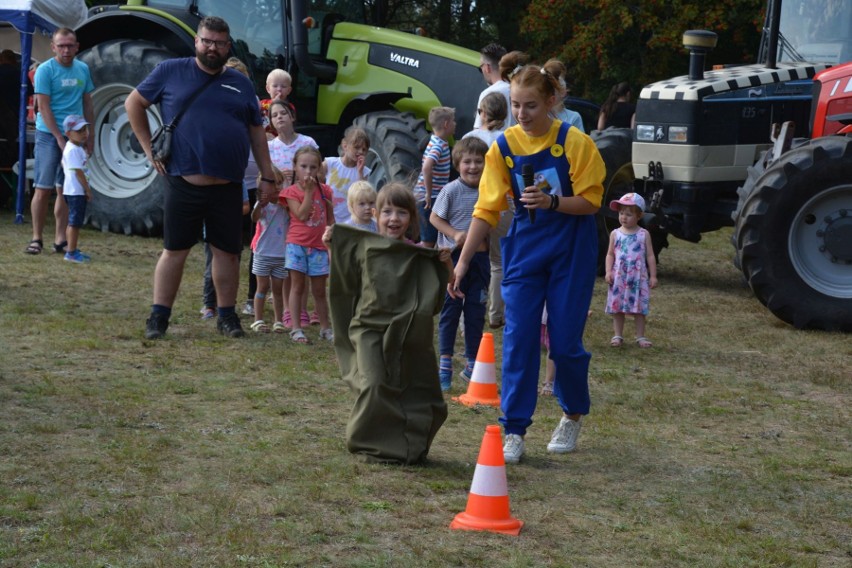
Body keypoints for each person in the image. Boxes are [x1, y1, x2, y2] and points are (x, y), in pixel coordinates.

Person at [449, 51, 605, 464]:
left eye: (530, 105)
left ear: (551, 101)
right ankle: (513, 429)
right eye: (516, 105)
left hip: (572, 247)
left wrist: (553, 202)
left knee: (565, 342)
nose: (521, 113)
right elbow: (486, 208)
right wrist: (463, 263)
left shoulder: (575, 142)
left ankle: (571, 414)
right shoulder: (503, 146)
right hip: (525, 248)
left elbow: (591, 201)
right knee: (518, 339)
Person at [125, 16, 277, 340]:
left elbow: (256, 132)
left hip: (228, 186)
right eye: (206, 41)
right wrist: (148, 149)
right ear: (196, 41)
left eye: (219, 43)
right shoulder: (171, 71)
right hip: (183, 182)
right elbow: (134, 103)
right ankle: (159, 317)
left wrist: (267, 175)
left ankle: (227, 317)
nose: (212, 47)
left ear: (228, 46)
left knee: (228, 253)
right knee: (175, 250)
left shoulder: (241, 84)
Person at [326, 183, 451, 464]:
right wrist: (332, 245)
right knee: (373, 383)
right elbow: (343, 278)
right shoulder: (364, 246)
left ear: (411, 219)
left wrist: (445, 265)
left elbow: (437, 293)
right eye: (387, 212)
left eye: (402, 213)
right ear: (375, 215)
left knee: (411, 387)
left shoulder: (417, 254)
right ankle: (365, 441)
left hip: (405, 332)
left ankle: (403, 445)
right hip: (368, 327)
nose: (394, 219)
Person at [25, 28, 94, 256]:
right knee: (43, 188)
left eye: (70, 45)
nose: (66, 50)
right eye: (61, 46)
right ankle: (36, 238)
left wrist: (88, 136)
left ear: (77, 47)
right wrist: (58, 138)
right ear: (53, 47)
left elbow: (87, 104)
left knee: (67, 189)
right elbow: (43, 107)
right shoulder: (46, 70)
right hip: (48, 134)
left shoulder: (83, 68)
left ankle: (61, 239)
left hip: (74, 136)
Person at [429, 137, 490, 392]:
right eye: (468, 162)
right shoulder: (451, 190)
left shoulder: (490, 191)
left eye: (479, 161)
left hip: (481, 261)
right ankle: (445, 363)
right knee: (450, 310)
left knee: (476, 311)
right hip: (452, 259)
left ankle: (472, 362)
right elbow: (434, 218)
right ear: (457, 164)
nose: (473, 167)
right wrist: (454, 234)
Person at [266, 98, 319, 328]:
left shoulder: (307, 142)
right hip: (279, 210)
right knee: (286, 261)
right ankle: (287, 309)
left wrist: (298, 180)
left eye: (283, 113)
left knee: (303, 259)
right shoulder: (269, 148)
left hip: (304, 206)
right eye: (274, 115)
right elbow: (265, 177)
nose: (279, 117)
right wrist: (282, 182)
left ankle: (303, 310)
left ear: (292, 117)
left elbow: (318, 172)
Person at [463, 91, 511, 329]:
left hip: (472, 202)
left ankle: (464, 316)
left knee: (465, 255)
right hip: (503, 204)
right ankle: (495, 314)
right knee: (498, 261)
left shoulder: (470, 137)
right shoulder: (509, 139)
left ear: (481, 112)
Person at [279, 146, 334, 344]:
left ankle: (325, 328)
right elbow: (301, 215)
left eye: (313, 167)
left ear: (319, 168)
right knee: (297, 287)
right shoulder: (290, 192)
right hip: (297, 245)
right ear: (295, 167)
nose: (308, 172)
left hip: (318, 246)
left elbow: (330, 219)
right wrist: (309, 193)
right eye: (303, 166)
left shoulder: (326, 191)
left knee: (319, 290)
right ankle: (296, 328)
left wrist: (331, 235)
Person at [605, 192, 658, 348]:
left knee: (639, 309)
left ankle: (640, 336)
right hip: (619, 276)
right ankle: (617, 335)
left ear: (639, 215)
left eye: (628, 214)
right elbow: (610, 254)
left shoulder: (643, 234)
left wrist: (653, 275)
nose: (623, 217)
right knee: (618, 307)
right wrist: (608, 271)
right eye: (621, 213)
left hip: (637, 277)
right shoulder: (615, 234)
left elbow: (650, 256)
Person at [200, 183, 250, 319]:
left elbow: (246, 206)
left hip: (232, 233)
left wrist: (231, 211)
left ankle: (228, 304)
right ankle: (209, 305)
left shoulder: (239, 183)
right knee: (211, 269)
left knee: (232, 270)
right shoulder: (209, 182)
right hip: (212, 233)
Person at [250, 168, 290, 334]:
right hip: (263, 252)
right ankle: (258, 319)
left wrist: (282, 201)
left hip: (281, 253)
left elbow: (293, 214)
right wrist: (260, 203)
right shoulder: (262, 205)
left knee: (278, 289)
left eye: (280, 183)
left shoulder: (285, 203)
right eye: (273, 184)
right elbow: (254, 217)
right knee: (262, 287)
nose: (277, 187)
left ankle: (278, 320)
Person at [413, 106, 455, 248]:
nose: (455, 124)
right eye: (453, 121)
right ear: (446, 124)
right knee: (428, 240)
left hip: (427, 195)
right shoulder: (439, 145)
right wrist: (429, 193)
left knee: (431, 237)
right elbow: (426, 167)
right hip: (428, 197)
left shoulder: (435, 141)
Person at [59, 115, 92, 264]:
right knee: (75, 223)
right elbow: (78, 172)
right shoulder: (72, 150)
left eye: (85, 129)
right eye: (79, 131)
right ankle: (71, 253)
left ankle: (71, 248)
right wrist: (87, 189)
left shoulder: (74, 148)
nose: (84, 133)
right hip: (76, 191)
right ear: (68, 134)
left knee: (73, 222)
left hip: (73, 190)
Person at [322, 126, 371, 225]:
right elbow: (316, 179)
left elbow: (363, 195)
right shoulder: (330, 163)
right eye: (356, 147)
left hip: (350, 221)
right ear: (345, 146)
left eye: (364, 149)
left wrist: (360, 172)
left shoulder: (364, 172)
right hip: (328, 218)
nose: (361, 152)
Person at [474, 43, 515, 130]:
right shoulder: (517, 89)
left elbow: (478, 130)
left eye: (480, 68)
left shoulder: (488, 94)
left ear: (487, 67)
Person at [546, 59, 584, 133]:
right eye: (546, 90)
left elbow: (580, 143)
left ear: (563, 92)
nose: (549, 94)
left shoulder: (574, 117)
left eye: (553, 90)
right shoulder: (538, 114)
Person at [260, 69, 292, 138]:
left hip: (280, 140)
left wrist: (277, 104)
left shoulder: (289, 107)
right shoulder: (262, 104)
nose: (279, 89)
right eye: (275, 86)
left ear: (289, 90)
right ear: (268, 89)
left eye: (283, 86)